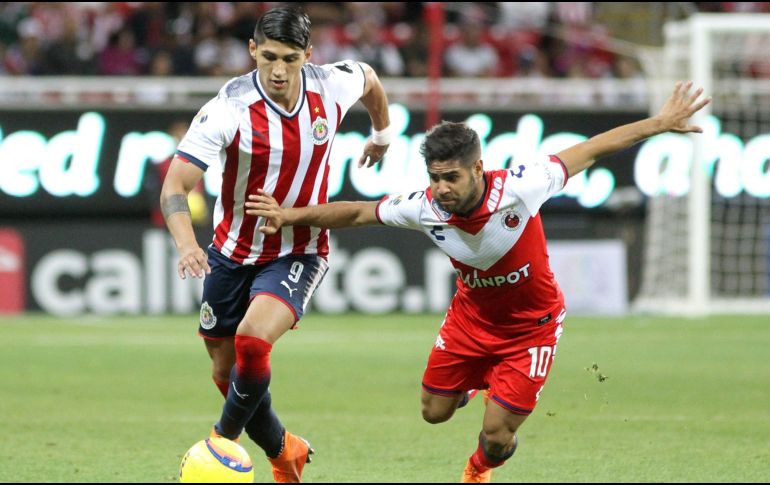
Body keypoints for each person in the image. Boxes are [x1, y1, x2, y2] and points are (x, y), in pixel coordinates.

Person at [244, 81, 710, 483]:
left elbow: (591, 149)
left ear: (477, 170)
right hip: (470, 322)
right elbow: (358, 212)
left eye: (451, 178)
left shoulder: (523, 186)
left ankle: (477, 467)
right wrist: (288, 216)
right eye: (435, 178)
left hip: (532, 328)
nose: (442, 188)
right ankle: (479, 383)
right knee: (433, 412)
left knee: (497, 436)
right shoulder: (425, 206)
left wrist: (658, 123)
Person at [160, 6, 391, 482]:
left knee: (251, 340)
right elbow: (174, 187)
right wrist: (186, 245)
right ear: (252, 50)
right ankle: (286, 450)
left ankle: (219, 444)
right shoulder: (230, 107)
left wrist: (382, 134)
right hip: (230, 251)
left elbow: (369, 79)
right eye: (269, 57)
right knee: (225, 372)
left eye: (290, 58)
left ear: (309, 54)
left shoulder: (331, 84)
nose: (280, 70)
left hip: (299, 249)